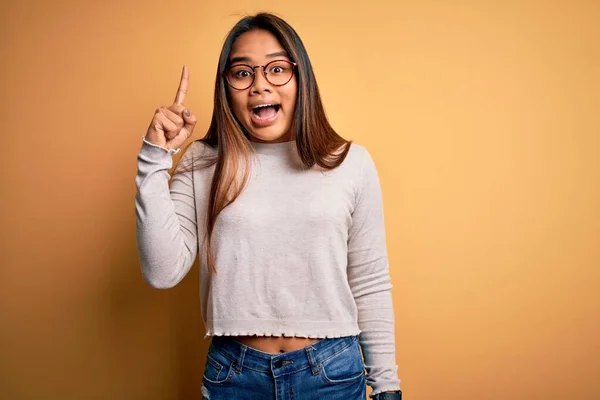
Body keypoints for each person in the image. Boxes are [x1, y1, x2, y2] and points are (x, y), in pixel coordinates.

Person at [135, 12, 402, 400]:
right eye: (242, 73)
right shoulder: (203, 161)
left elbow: (370, 280)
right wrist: (156, 155)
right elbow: (161, 271)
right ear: (226, 86)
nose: (260, 85)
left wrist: (387, 384)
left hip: (332, 374)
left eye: (277, 69)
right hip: (235, 376)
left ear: (301, 78)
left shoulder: (350, 162)